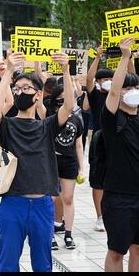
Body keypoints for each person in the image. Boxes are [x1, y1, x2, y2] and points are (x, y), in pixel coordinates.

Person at [0, 52, 74, 272]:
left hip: (42, 205)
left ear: (38, 95)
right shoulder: (7, 126)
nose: (20, 92)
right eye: (17, 89)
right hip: (12, 204)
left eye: (25, 88)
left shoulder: (46, 126)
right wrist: (8, 72)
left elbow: (68, 107)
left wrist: (66, 70)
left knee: (42, 264)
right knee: (7, 264)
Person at [101, 38, 139, 272]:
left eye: (136, 88)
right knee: (116, 252)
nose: (132, 92)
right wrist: (124, 58)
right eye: (127, 88)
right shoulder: (113, 119)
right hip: (119, 198)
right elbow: (113, 91)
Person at [46, 85, 85, 250]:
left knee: (68, 198)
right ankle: (50, 235)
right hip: (51, 161)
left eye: (69, 95)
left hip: (69, 162)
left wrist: (82, 168)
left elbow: (78, 145)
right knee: (52, 199)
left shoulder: (77, 119)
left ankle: (68, 234)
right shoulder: (50, 118)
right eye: (62, 96)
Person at [86, 46, 114, 232]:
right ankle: (100, 217)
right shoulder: (95, 95)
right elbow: (88, 79)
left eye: (111, 79)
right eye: (105, 79)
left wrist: (128, 57)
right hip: (99, 142)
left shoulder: (120, 95)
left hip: (117, 141)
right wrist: (97, 57)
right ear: (98, 82)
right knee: (98, 181)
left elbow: (132, 76)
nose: (109, 82)